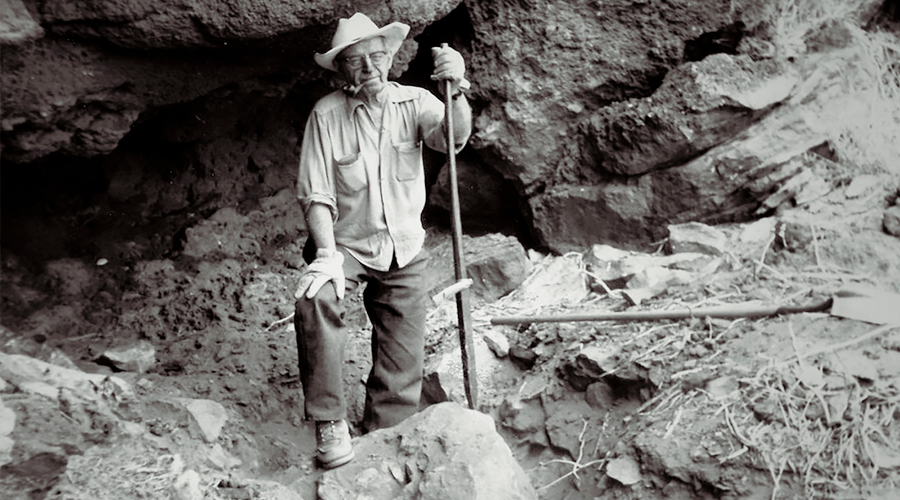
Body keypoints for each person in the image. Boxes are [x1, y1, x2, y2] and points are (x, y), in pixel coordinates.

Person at [293, 12, 472, 469]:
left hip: (404, 246)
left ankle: (385, 435)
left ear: (391, 58)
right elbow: (316, 193)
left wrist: (459, 88)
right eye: (356, 61)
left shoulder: (415, 101)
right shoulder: (326, 115)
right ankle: (330, 420)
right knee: (315, 298)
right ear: (341, 71)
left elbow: (452, 139)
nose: (369, 67)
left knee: (403, 356)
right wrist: (327, 257)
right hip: (346, 246)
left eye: (377, 56)